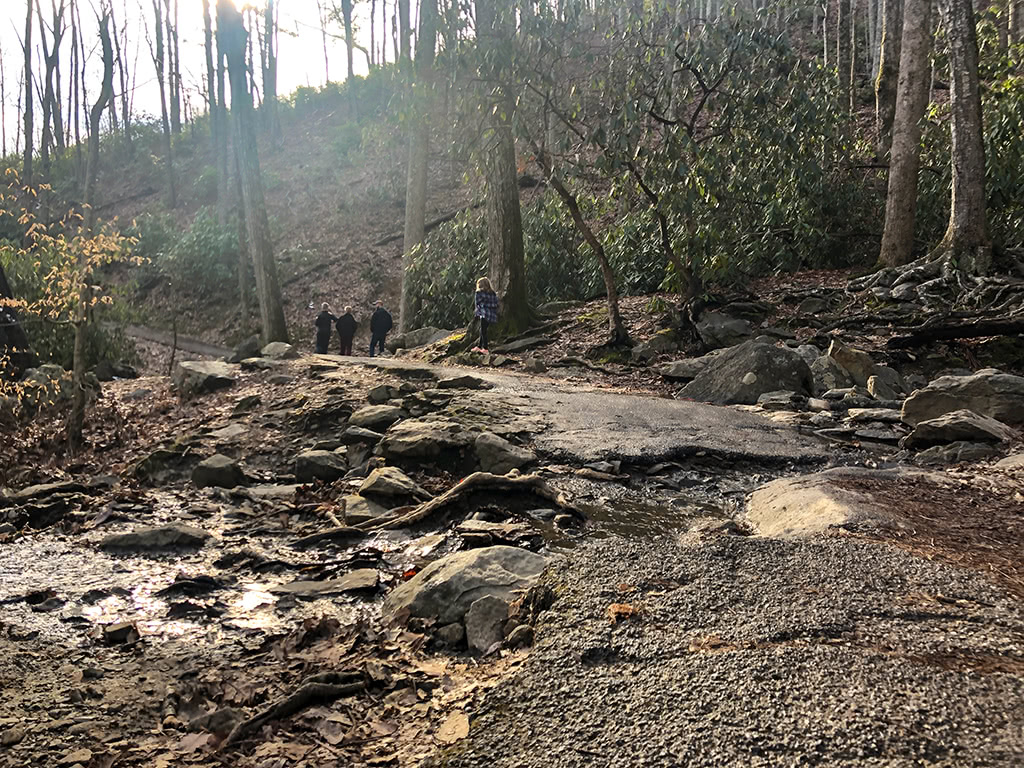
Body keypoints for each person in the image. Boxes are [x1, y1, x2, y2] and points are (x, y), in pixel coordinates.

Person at [473, 277, 499, 353]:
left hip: (484, 313)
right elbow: (496, 304)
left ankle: (485, 348)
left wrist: (477, 311)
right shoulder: (492, 293)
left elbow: (477, 303)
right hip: (491, 314)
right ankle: (479, 346)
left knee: (483, 331)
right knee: (483, 330)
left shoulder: (479, 293)